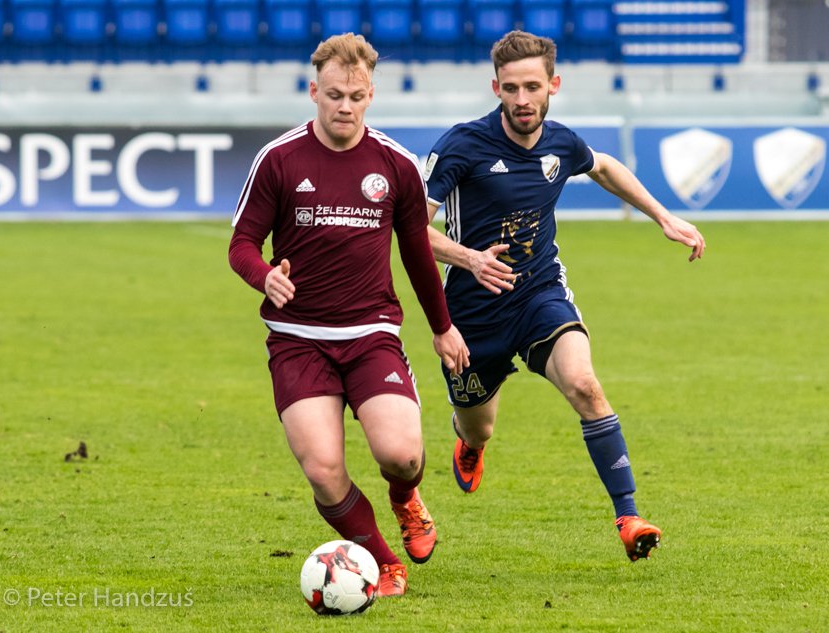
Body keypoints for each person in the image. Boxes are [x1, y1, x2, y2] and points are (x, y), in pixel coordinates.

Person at [422, 30, 705, 561]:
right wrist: (470, 259)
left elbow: (603, 167)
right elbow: (410, 230)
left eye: (532, 86)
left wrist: (663, 217)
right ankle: (470, 442)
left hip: (538, 294)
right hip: (471, 312)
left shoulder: (562, 143)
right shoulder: (461, 145)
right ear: (496, 88)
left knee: (585, 385)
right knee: (479, 426)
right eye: (511, 88)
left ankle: (628, 517)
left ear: (553, 85)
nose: (522, 99)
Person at [228, 33, 469, 596]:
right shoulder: (279, 159)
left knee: (402, 456)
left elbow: (416, 253)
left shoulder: (396, 165)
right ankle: (384, 563)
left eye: (356, 96)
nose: (345, 106)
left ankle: (405, 497)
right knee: (323, 469)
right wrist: (265, 276)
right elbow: (241, 245)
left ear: (370, 95)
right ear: (314, 91)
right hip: (297, 340)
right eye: (334, 95)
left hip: (371, 337)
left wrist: (442, 328)